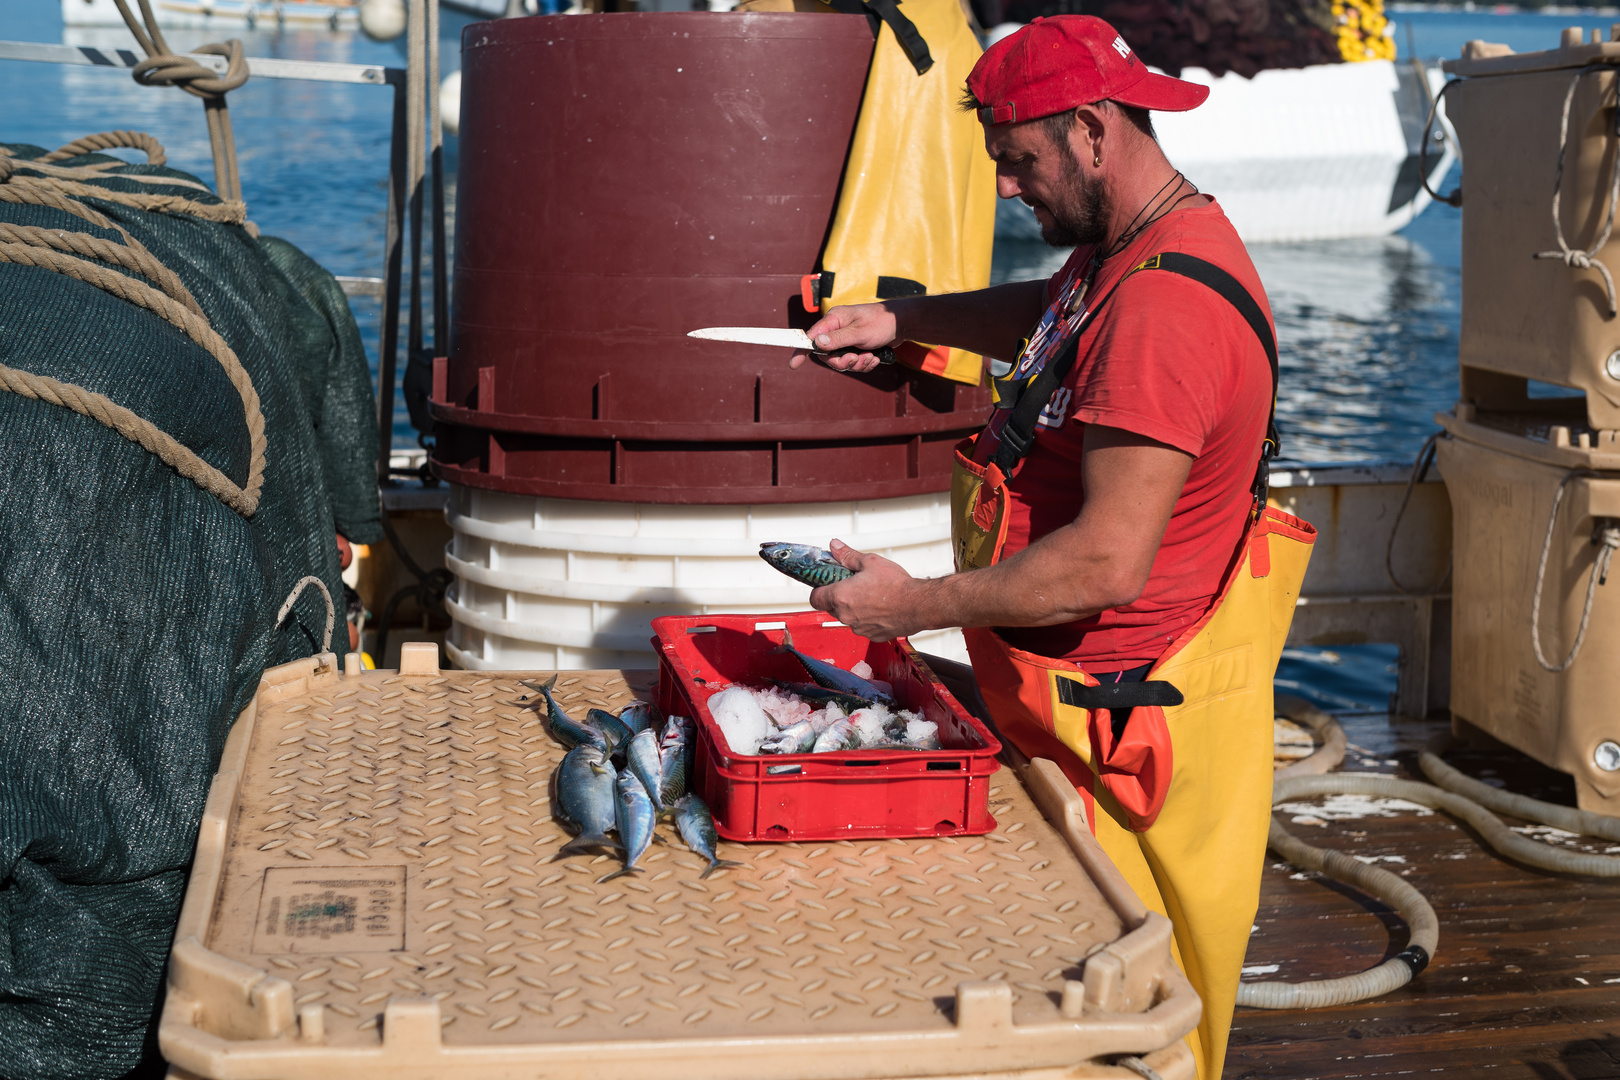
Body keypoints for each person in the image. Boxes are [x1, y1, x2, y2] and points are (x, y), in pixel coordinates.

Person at [790, 16, 1316, 1078]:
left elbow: (1105, 565)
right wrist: (904, 323)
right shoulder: (1127, 250)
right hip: (1058, 705)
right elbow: (1050, 312)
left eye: (1017, 163)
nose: (1004, 189)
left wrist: (909, 606)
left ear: (1089, 133)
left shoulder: (1165, 309)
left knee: (1119, 1028)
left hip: (1125, 742)